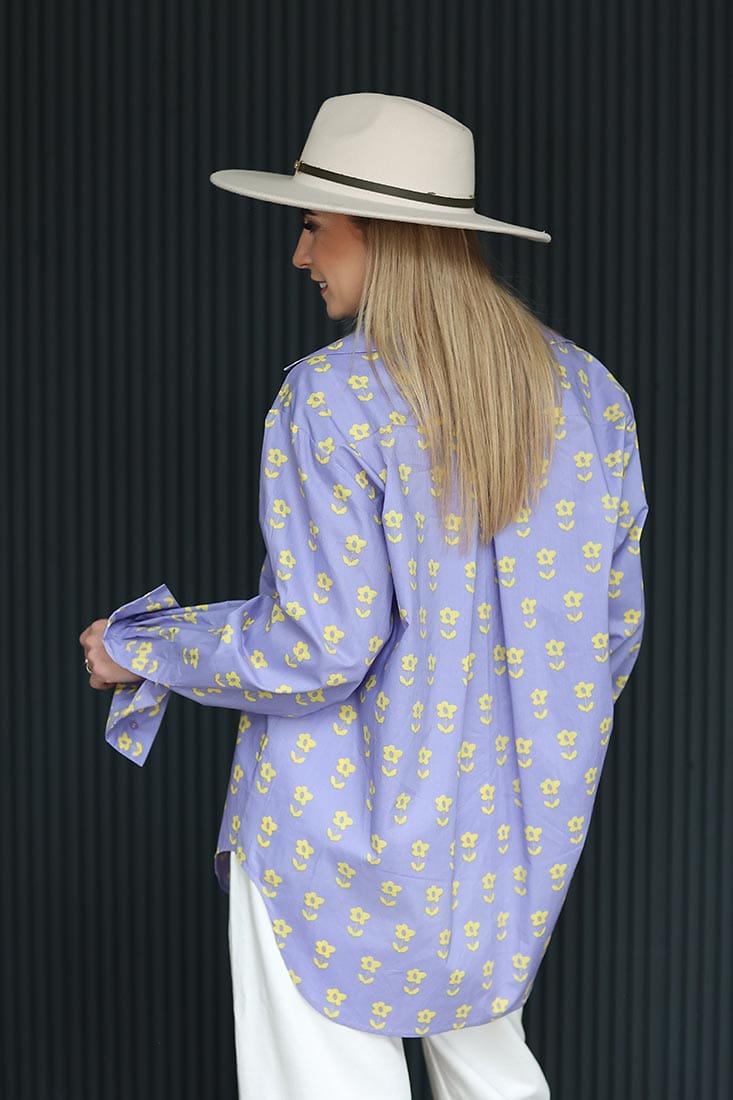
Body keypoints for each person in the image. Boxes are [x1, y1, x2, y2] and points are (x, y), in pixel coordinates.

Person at [80, 93, 647, 1099]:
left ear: (382, 231)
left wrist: (146, 646)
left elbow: (317, 648)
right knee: (496, 1080)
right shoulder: (589, 394)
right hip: (507, 840)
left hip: (328, 827)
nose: (300, 254)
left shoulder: (331, 395)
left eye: (313, 225)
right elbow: (611, 635)